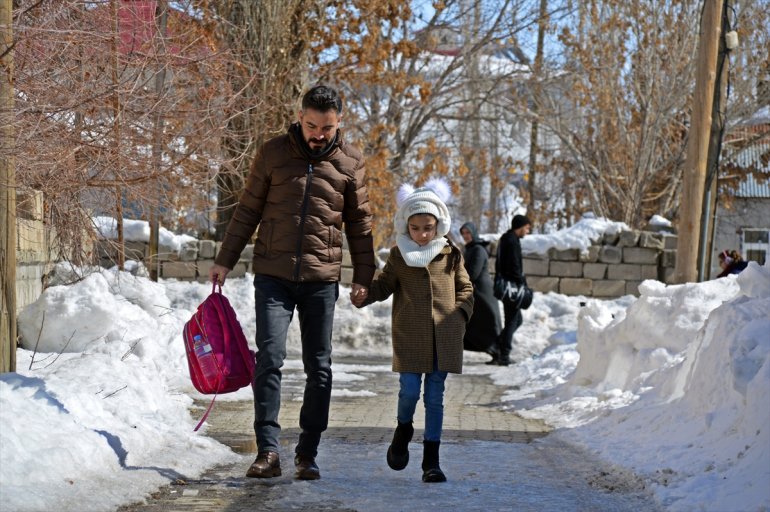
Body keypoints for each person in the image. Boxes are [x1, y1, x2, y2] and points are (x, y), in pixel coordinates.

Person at [209, 85, 376, 481]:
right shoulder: (273, 153)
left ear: (339, 124)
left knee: (319, 367)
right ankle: (267, 449)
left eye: (327, 127)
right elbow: (248, 209)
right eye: (311, 125)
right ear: (300, 118)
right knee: (269, 359)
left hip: (321, 280)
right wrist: (224, 260)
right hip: (273, 276)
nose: (318, 134)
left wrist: (364, 277)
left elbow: (361, 225)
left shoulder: (351, 162)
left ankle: (307, 453)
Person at [351, 179, 474, 483]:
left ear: (438, 225)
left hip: (443, 338)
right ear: (407, 227)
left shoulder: (451, 253)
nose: (422, 234)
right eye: (416, 228)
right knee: (408, 392)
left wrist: (458, 315)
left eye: (428, 227)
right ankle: (403, 428)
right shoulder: (398, 255)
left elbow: (466, 288)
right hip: (410, 337)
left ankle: (431, 462)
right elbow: (384, 285)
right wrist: (366, 294)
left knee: (434, 398)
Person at [489, 214, 531, 366]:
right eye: (526, 228)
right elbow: (514, 266)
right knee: (513, 320)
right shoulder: (512, 241)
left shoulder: (507, 238)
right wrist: (521, 283)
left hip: (508, 285)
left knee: (516, 319)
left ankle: (496, 347)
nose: (527, 231)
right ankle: (503, 355)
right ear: (519, 227)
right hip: (512, 287)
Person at [459, 222, 502, 356]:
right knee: (476, 323)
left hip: (482, 292)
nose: (466, 236)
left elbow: (473, 272)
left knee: (487, 321)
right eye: (463, 233)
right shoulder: (470, 248)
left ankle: (498, 351)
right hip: (475, 291)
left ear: (473, 233)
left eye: (468, 233)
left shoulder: (478, 249)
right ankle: (493, 350)